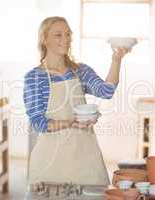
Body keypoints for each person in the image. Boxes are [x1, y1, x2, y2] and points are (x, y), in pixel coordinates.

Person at [23, 16, 131, 198]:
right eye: (58, 35)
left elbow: (106, 91)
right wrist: (71, 122)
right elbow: (38, 122)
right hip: (51, 161)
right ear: (44, 39)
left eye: (68, 34)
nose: (65, 39)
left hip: (85, 157)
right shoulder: (34, 78)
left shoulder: (80, 71)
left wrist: (116, 60)